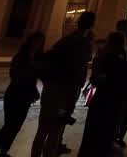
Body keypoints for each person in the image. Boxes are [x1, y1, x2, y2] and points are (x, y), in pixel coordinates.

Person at [31, 11, 96, 157]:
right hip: (67, 91)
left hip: (52, 88)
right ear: (91, 25)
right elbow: (84, 60)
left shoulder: (66, 40)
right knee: (55, 131)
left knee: (42, 130)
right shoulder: (84, 43)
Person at [0, 31, 44, 157]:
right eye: (36, 41)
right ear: (31, 41)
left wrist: (33, 89)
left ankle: (3, 151)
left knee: (16, 126)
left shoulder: (36, 58)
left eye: (40, 42)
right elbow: (16, 75)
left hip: (25, 96)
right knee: (9, 125)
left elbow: (34, 77)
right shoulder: (22, 57)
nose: (38, 44)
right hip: (15, 93)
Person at [78, 31, 127, 157]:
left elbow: (95, 79)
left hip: (102, 98)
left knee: (93, 132)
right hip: (113, 100)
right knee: (106, 132)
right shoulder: (119, 60)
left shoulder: (103, 58)